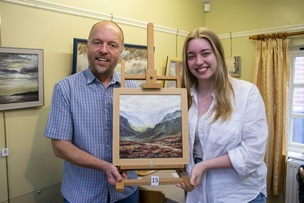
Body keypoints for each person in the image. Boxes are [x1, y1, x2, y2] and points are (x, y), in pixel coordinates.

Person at [44, 21, 139, 203]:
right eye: (97, 42)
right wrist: (104, 166)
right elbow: (59, 147)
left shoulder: (134, 89)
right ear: (87, 46)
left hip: (126, 193)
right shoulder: (65, 89)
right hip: (83, 195)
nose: (104, 50)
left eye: (112, 45)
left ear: (121, 50)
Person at [177, 27, 268, 203]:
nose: (198, 61)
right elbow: (179, 146)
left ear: (218, 54)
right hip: (195, 192)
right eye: (191, 56)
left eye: (205, 53)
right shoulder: (183, 97)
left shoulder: (247, 93)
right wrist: (182, 173)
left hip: (239, 194)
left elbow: (252, 153)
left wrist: (204, 165)